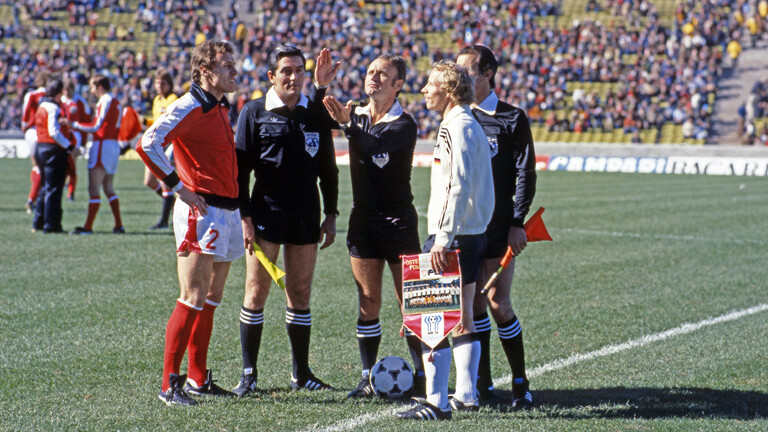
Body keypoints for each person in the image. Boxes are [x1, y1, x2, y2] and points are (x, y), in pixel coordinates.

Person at [136, 40, 242, 406]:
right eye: (225, 64)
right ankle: (170, 384)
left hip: (228, 210)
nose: (233, 69)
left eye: (233, 63)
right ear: (204, 72)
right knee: (193, 296)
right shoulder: (190, 104)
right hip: (203, 210)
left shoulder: (218, 106)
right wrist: (178, 187)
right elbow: (148, 142)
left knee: (211, 299)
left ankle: (198, 378)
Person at [233, 45, 339, 395]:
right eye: (286, 71)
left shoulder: (315, 113)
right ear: (272, 77)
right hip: (266, 213)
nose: (293, 77)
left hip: (307, 214)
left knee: (300, 292)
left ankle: (301, 374)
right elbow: (240, 173)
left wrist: (332, 213)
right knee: (256, 290)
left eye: (299, 70)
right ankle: (249, 375)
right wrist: (245, 218)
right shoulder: (254, 111)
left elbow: (328, 169)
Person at [321, 54, 425, 398]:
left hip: (398, 224)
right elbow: (314, 117)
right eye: (370, 72)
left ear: (398, 85)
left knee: (410, 304)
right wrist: (322, 87)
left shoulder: (403, 124)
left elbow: (377, 150)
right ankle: (367, 378)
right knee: (368, 302)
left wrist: (348, 125)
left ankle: (423, 378)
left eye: (384, 74)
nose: (374, 78)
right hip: (363, 222)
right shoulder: (357, 116)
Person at [396, 60, 494, 420]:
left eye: (431, 84)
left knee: (432, 318)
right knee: (465, 318)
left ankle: (436, 402)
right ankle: (466, 394)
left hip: (451, 236)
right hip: (470, 234)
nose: (424, 90)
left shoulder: (457, 127)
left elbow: (457, 184)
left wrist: (443, 238)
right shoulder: (470, 124)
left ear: (449, 90)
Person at [456, 45, 536, 408]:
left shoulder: (512, 118)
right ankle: (482, 386)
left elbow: (525, 173)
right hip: (468, 226)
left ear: (488, 74)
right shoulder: (457, 117)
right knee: (471, 306)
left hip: (500, 225)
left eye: (468, 71)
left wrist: (517, 222)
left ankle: (521, 385)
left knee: (497, 302)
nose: (462, 79)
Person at [70, 74, 125, 235]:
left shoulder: (105, 100)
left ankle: (88, 227)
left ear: (100, 87)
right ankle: (118, 225)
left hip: (102, 144)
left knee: (93, 188)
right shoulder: (116, 101)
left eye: (93, 87)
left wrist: (73, 124)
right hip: (113, 145)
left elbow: (95, 126)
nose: (92, 90)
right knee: (108, 187)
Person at [32, 76, 76, 233]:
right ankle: (52, 224)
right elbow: (54, 131)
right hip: (52, 149)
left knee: (45, 187)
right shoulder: (53, 107)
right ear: (58, 93)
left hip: (40, 147)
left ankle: (38, 222)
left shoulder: (41, 105)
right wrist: (69, 146)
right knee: (54, 189)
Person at [143, 69, 179, 229]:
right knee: (149, 181)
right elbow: (157, 122)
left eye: (162, 83)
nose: (159, 86)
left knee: (165, 183)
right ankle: (171, 200)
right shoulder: (157, 100)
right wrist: (145, 121)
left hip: (168, 144)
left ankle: (164, 220)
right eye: (157, 83)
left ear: (169, 84)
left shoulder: (173, 99)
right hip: (155, 143)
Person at [21, 70, 51, 214]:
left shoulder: (31, 95)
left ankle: (34, 197)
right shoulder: (51, 95)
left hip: (32, 131)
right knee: (42, 166)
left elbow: (25, 114)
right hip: (44, 133)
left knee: (36, 165)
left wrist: (24, 127)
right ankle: (33, 199)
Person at [61, 79, 92, 201]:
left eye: (68, 90)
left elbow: (86, 121)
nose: (66, 93)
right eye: (64, 90)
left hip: (75, 136)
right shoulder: (61, 101)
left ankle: (71, 192)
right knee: (63, 164)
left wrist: (84, 141)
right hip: (62, 136)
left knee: (72, 163)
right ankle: (64, 185)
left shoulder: (80, 102)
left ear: (73, 89)